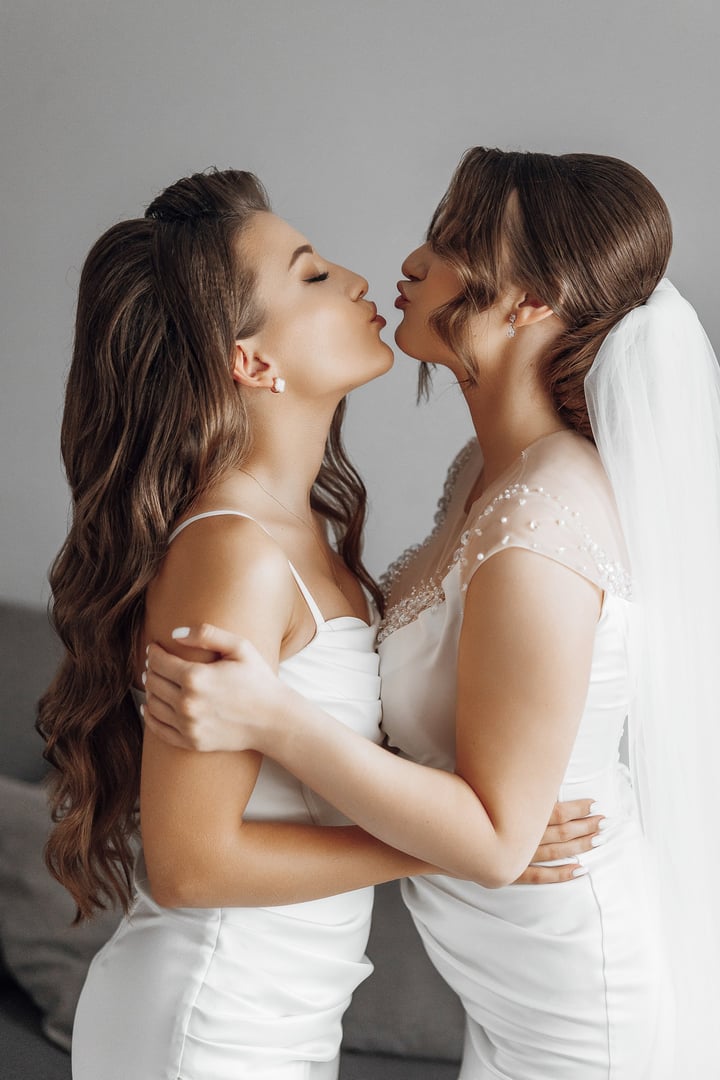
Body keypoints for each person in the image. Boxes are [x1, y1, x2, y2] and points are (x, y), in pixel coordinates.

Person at [144, 148, 720, 1078]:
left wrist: (277, 720)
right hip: (502, 990)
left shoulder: (543, 520)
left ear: (531, 300)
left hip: (577, 998)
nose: (410, 262)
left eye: (453, 243)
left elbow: (498, 837)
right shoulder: (480, 478)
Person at [37, 167, 595, 1080]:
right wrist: (457, 851)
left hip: (276, 1007)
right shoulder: (234, 554)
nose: (357, 279)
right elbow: (191, 866)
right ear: (250, 360)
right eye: (309, 274)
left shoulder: (308, 534)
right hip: (211, 1016)